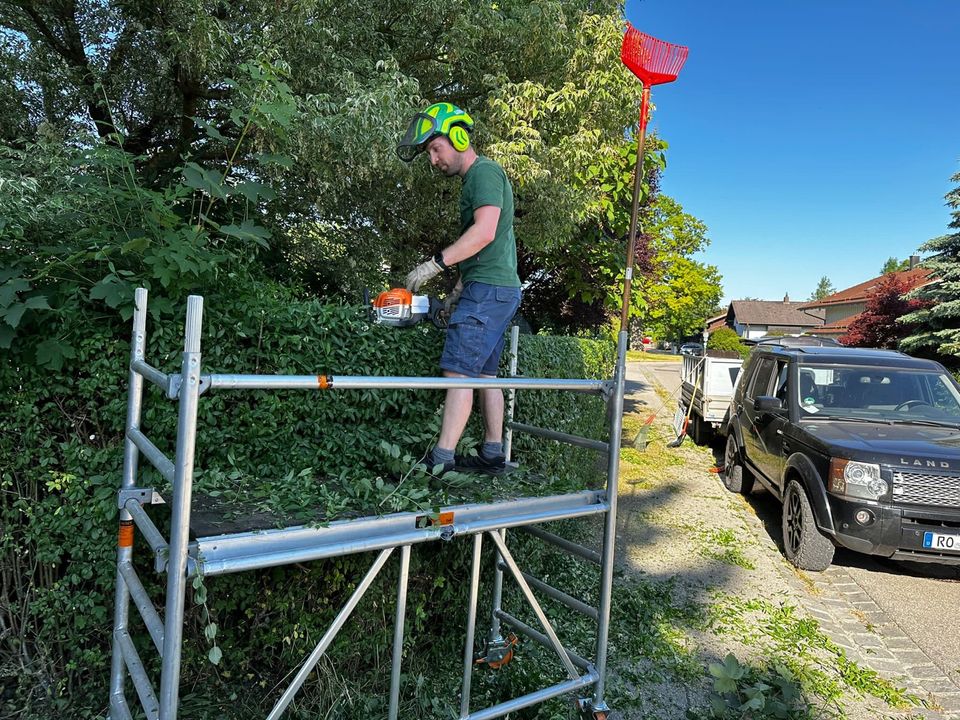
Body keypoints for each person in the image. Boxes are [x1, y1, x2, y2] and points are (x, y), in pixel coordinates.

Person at [396, 102, 522, 475]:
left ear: (459, 136)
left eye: (435, 149)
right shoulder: (479, 178)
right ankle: (493, 453)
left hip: (490, 291)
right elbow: (484, 247)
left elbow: (483, 233)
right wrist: (455, 293)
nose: (433, 160)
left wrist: (434, 264)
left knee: (457, 374)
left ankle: (441, 460)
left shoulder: (483, 173)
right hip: (494, 287)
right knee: (485, 376)